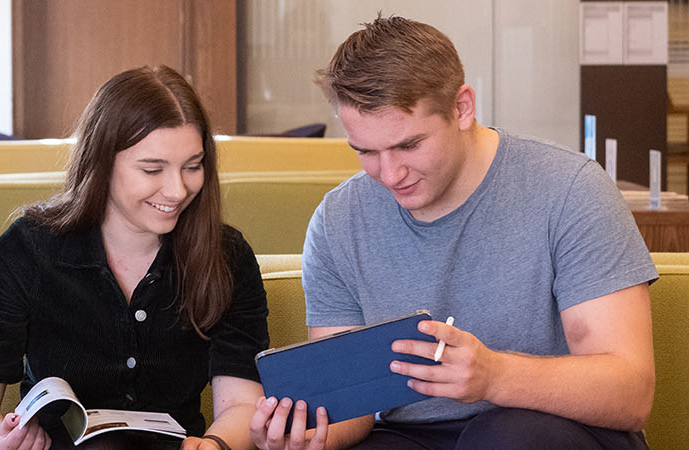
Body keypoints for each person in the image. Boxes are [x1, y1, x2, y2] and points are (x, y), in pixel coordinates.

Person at [248, 16, 657, 450]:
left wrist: (494, 376)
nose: (389, 174)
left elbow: (631, 393)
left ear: (462, 108)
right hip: (409, 434)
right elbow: (355, 408)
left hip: (550, 428)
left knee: (502, 439)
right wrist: (306, 434)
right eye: (366, 151)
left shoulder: (569, 189)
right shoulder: (339, 219)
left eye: (408, 145)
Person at [0, 65, 270, 450]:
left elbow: (239, 401)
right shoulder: (28, 249)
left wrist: (215, 444)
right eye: (152, 169)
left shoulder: (226, 256)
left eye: (193, 166)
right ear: (101, 163)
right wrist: (0, 437)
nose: (177, 189)